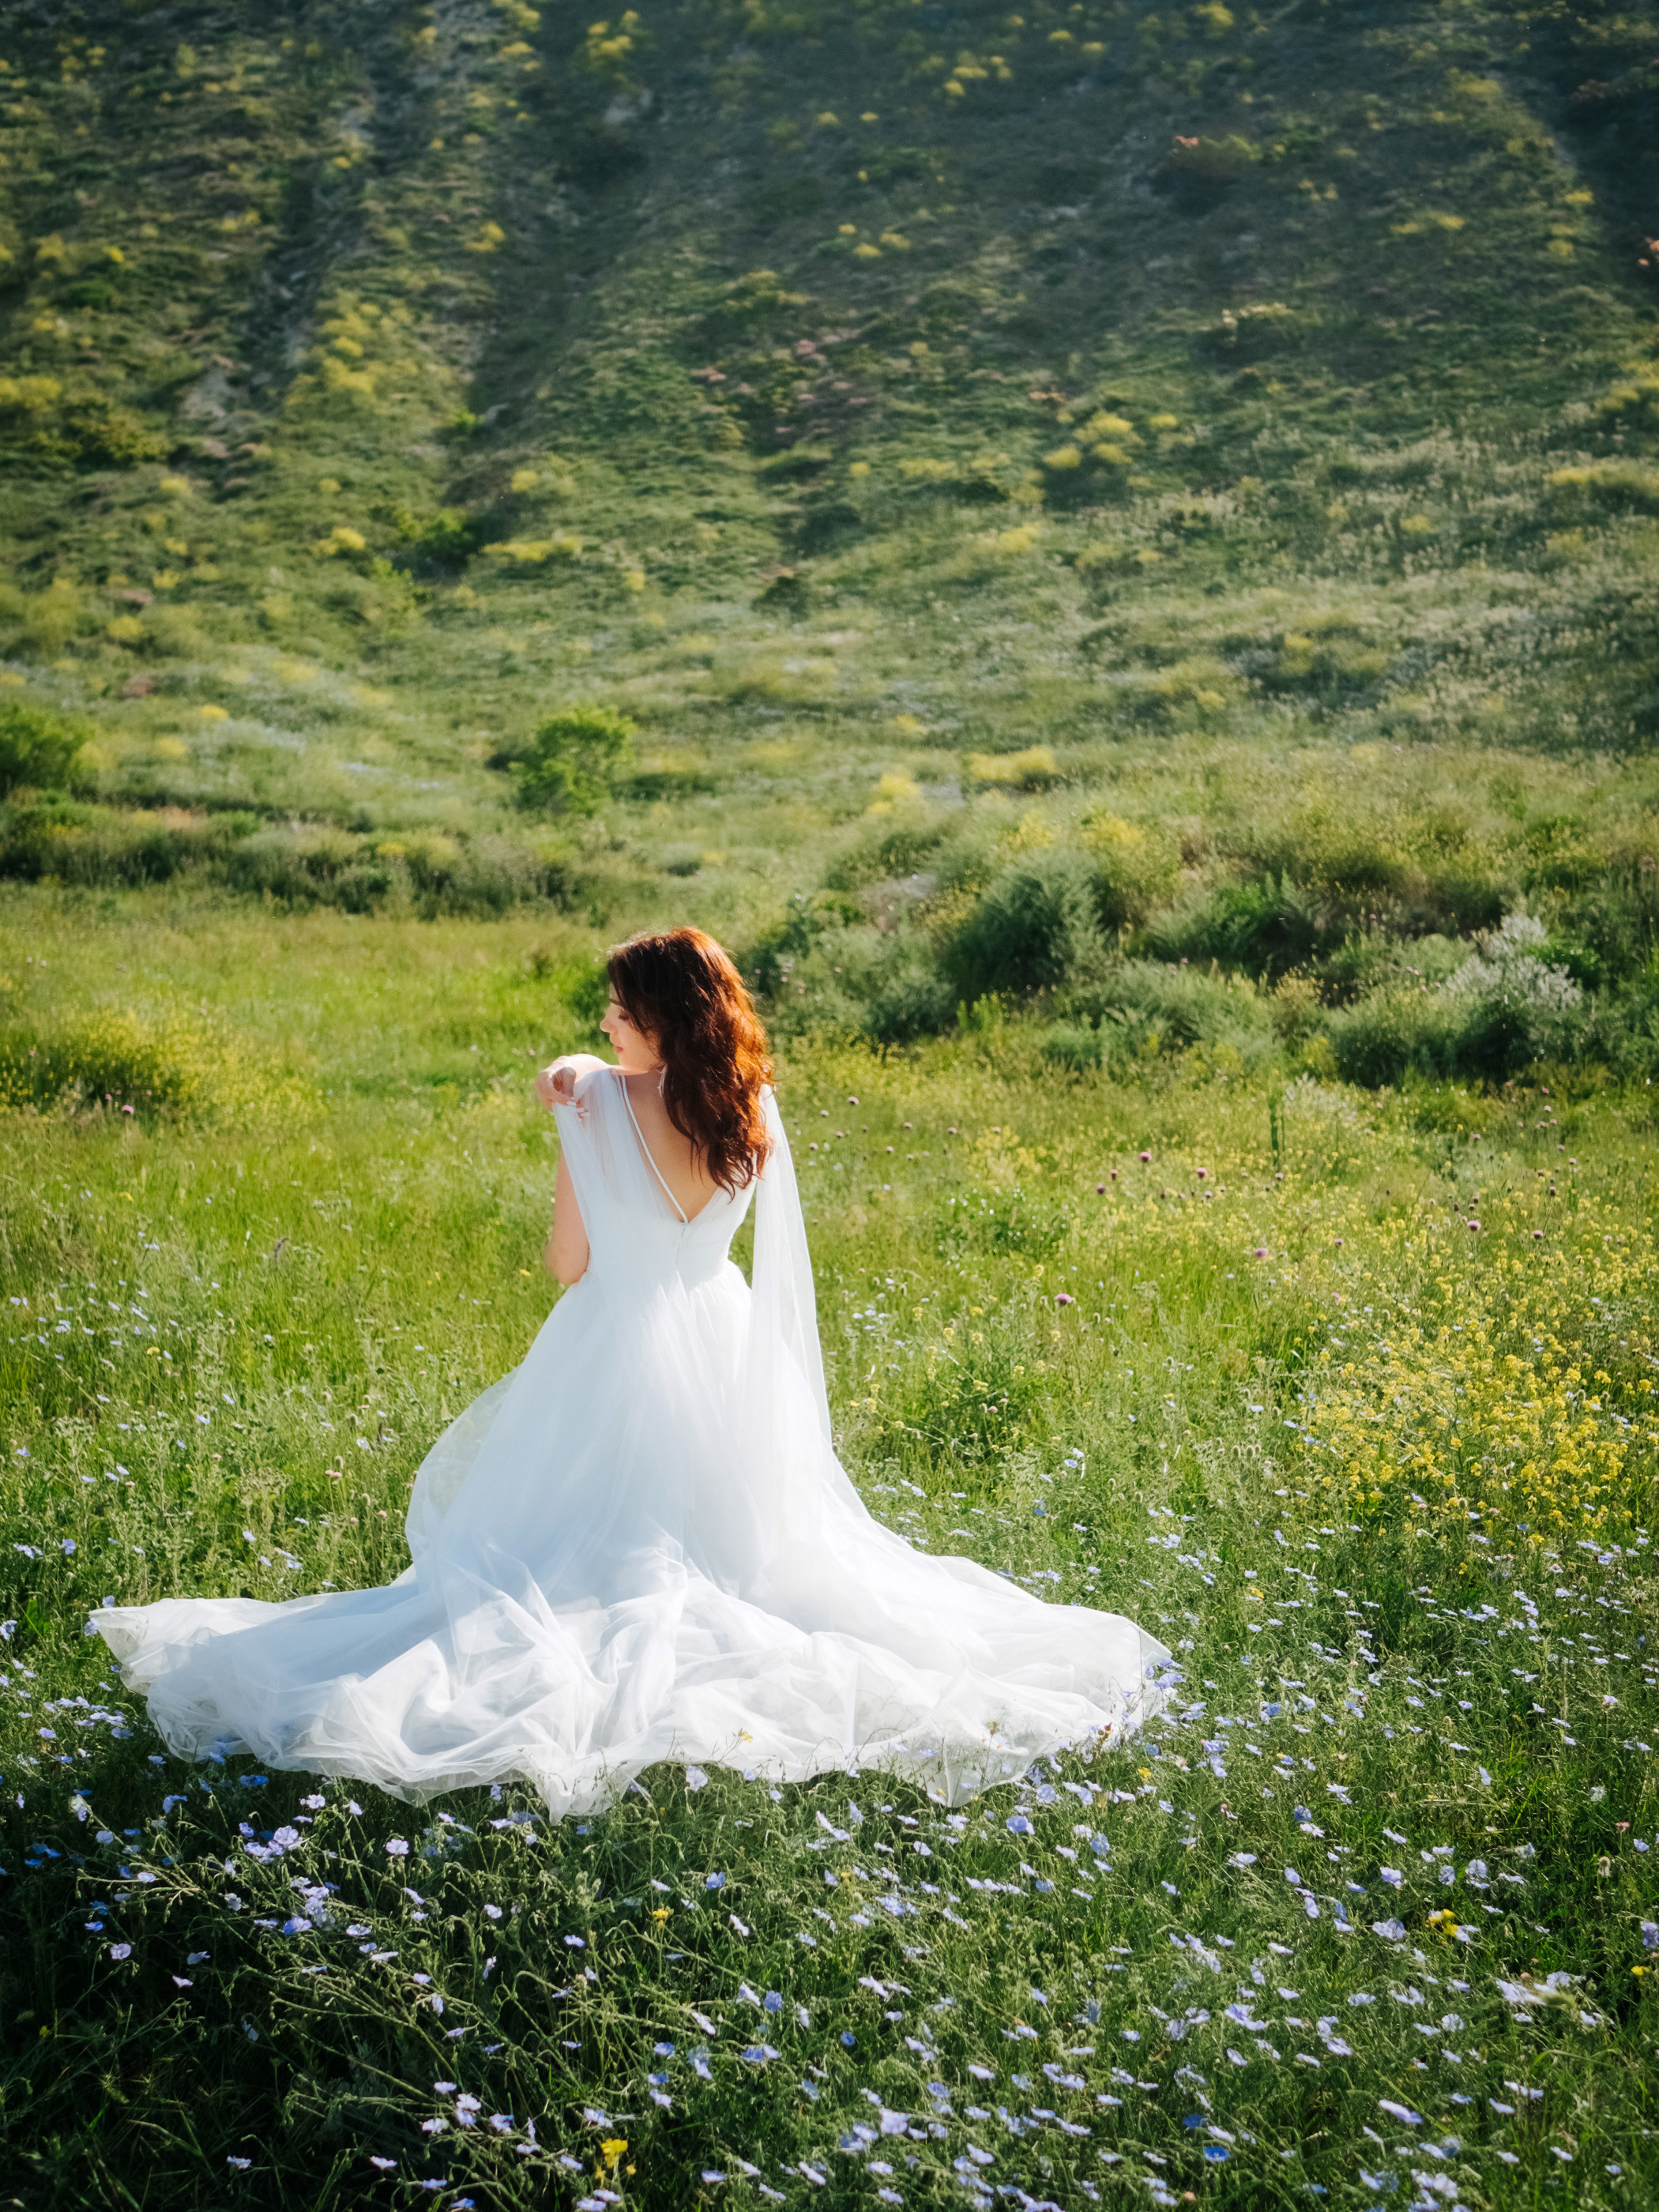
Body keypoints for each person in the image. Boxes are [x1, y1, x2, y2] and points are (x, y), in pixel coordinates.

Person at [92, 928, 1169, 1815]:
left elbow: (570, 1262)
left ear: (654, 1012)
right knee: (740, 1552)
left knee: (565, 1554)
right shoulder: (752, 1109)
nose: (603, 1022)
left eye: (615, 1006)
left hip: (610, 1337)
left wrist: (580, 1101)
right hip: (721, 1333)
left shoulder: (594, 1102)